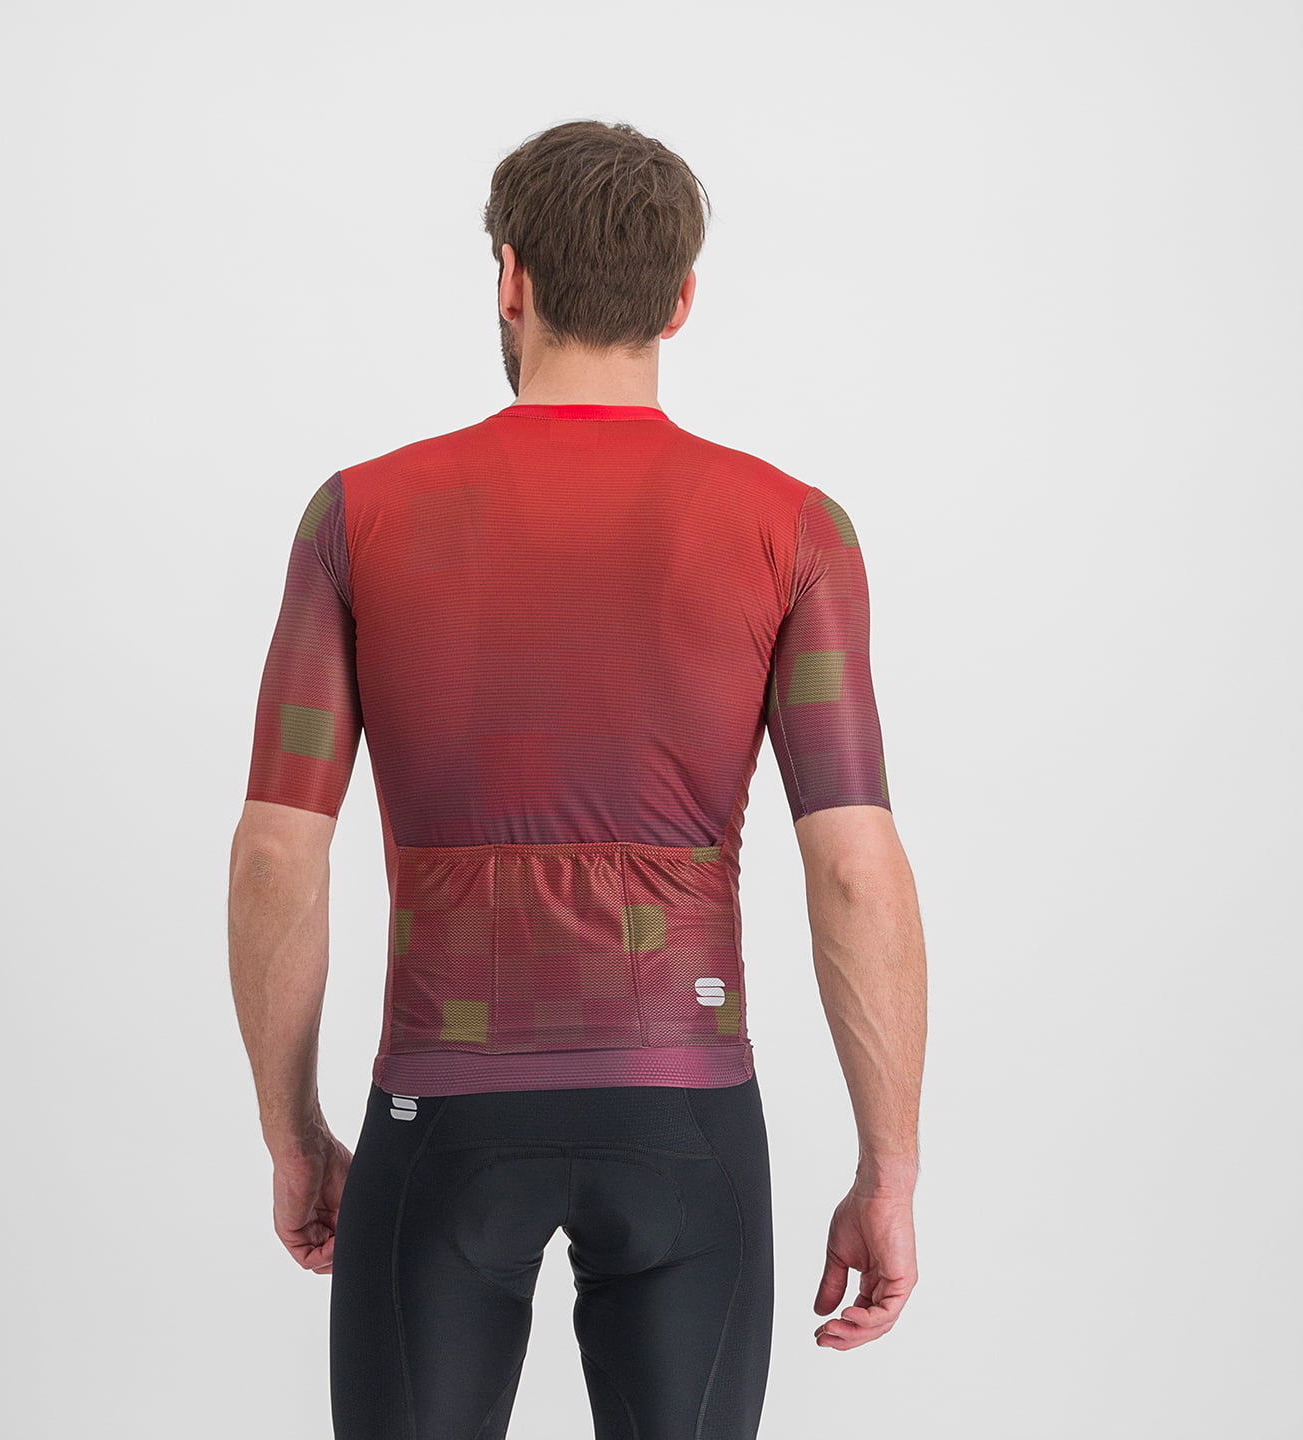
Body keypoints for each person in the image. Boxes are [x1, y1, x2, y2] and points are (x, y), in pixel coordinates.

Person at [228, 118, 927, 1440]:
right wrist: (888, 1169)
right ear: (681, 299)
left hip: (440, 1109)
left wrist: (294, 1132)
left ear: (511, 279)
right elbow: (852, 864)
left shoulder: (357, 517)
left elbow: (276, 851)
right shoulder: (795, 530)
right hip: (687, 1110)